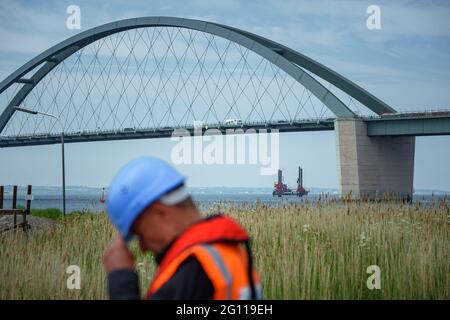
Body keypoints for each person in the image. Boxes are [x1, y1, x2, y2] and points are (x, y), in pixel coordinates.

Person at [103, 157, 262, 300]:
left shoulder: (192, 272)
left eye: (140, 234)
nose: (143, 248)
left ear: (159, 213)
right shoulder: (230, 251)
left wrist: (121, 279)